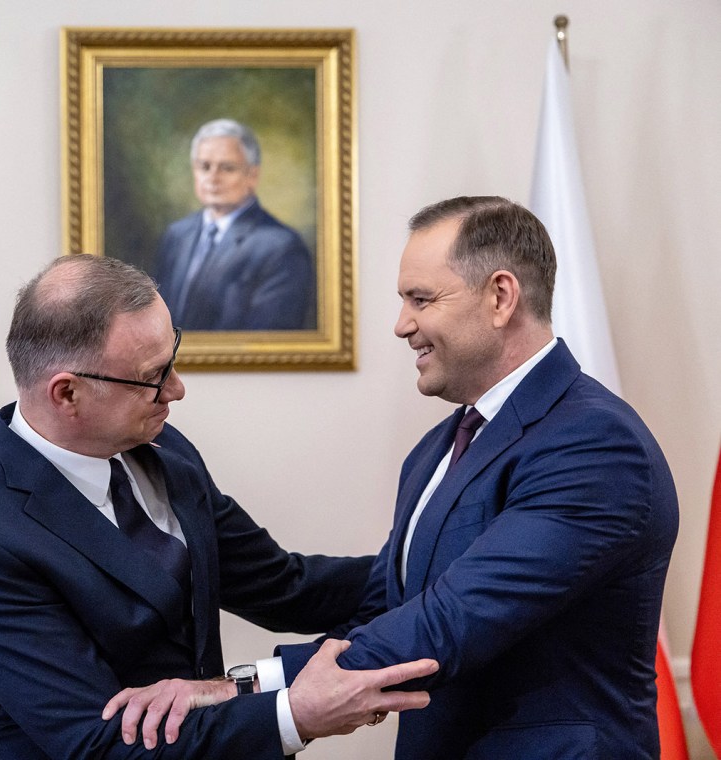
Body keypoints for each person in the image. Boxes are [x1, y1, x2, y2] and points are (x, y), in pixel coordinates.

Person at [112, 196, 679, 759]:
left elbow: (449, 621)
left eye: (422, 299)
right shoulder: (437, 448)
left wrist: (236, 689)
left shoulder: (594, 444)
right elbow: (387, 608)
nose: (402, 324)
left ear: (501, 297)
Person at [0, 253, 436, 758]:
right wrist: (292, 715)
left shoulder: (165, 450)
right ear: (67, 393)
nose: (177, 389)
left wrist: (440, 567)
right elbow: (97, 744)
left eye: (173, 355)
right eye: (153, 376)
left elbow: (287, 587)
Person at [155, 118, 316, 331]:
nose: (212, 178)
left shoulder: (281, 247)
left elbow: (269, 338)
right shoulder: (177, 235)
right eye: (204, 166)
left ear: (252, 175)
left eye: (227, 168)